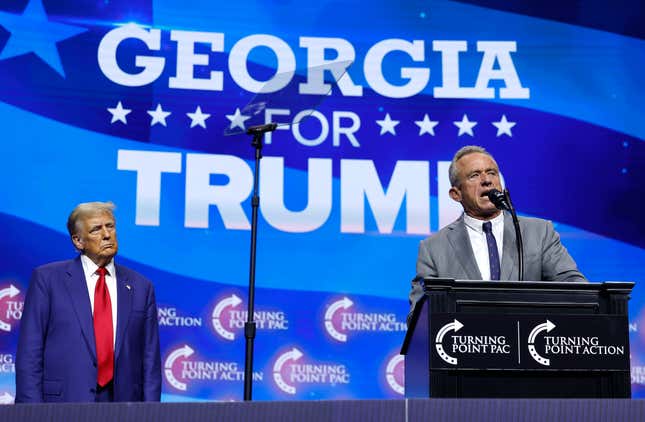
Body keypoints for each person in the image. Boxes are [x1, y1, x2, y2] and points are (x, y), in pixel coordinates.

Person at [410, 146, 586, 314]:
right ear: (456, 194)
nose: (487, 180)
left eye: (492, 173)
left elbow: (577, 290)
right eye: (474, 175)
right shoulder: (434, 249)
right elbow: (419, 316)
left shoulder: (540, 233)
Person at [16, 202, 161, 402]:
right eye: (96, 229)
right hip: (63, 404)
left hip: (124, 406)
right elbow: (29, 352)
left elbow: (150, 360)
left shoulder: (141, 287)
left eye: (110, 226)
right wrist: (30, 412)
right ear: (78, 241)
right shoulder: (48, 280)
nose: (107, 235)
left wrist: (151, 413)